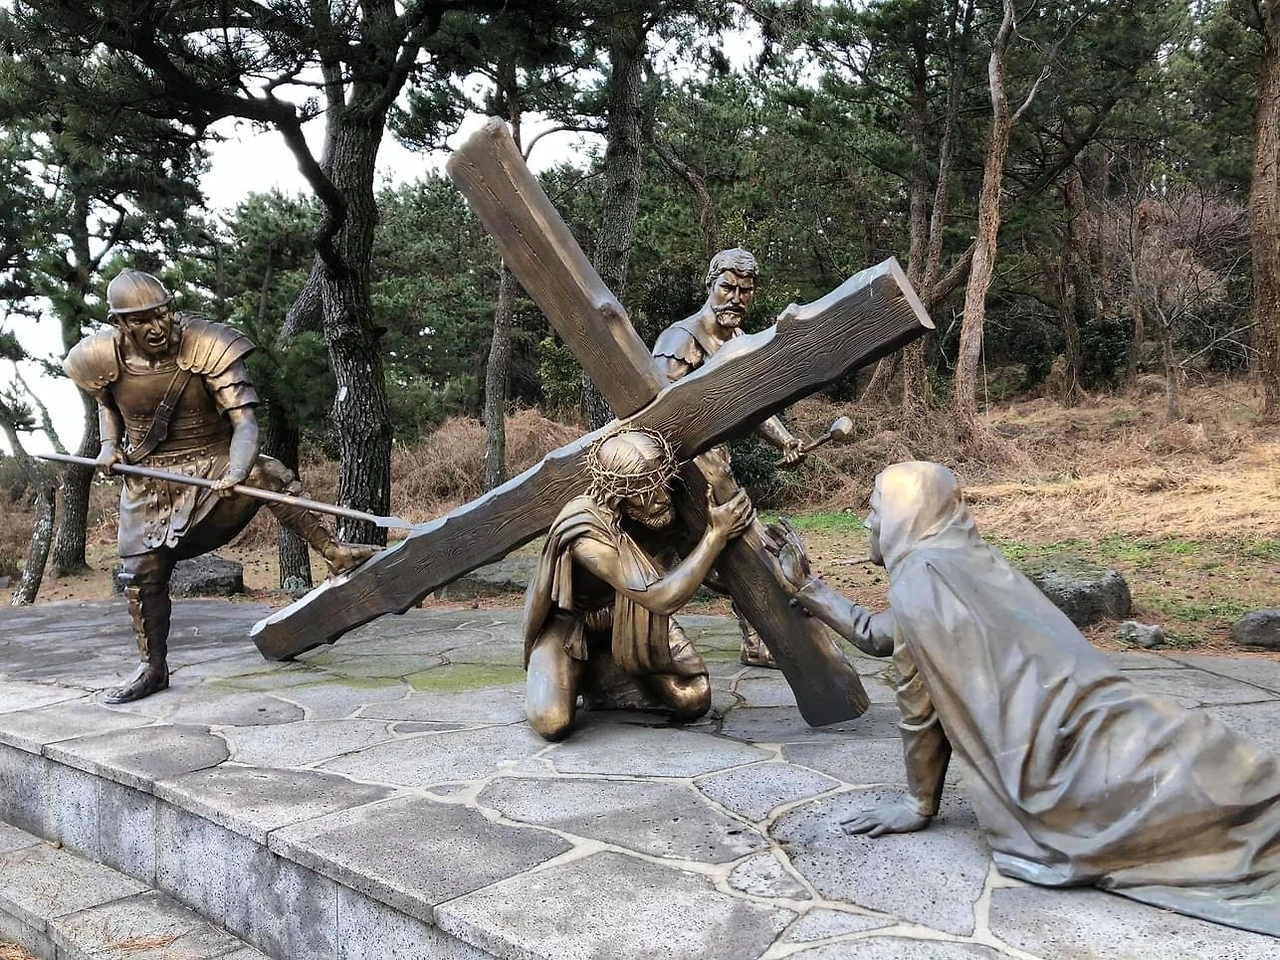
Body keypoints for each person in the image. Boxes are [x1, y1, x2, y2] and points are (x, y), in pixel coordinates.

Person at [765, 461, 1280, 936]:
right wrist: (810, 588)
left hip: (1066, 752)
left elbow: (919, 708)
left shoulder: (922, 581)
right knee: (1221, 767)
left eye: (875, 509)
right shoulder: (963, 558)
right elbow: (885, 634)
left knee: (1190, 796)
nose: (866, 522)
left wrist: (917, 803)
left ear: (906, 515)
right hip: (1106, 714)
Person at [65, 268, 376, 704]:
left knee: (267, 473)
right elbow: (108, 405)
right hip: (148, 481)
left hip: (214, 466)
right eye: (141, 320)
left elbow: (244, 422)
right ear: (120, 323)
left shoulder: (209, 345)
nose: (156, 326)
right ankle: (152, 667)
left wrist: (237, 468)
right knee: (141, 574)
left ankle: (334, 552)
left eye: (162, 313)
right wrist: (109, 448)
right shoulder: (99, 358)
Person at [522, 429, 753, 740]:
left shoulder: (665, 510)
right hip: (573, 623)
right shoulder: (586, 531)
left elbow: (706, 575)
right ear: (616, 494)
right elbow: (660, 597)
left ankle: (613, 671)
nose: (661, 498)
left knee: (693, 697)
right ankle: (593, 670)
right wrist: (715, 537)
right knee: (552, 721)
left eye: (661, 484)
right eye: (644, 492)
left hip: (632, 614)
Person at [652, 248, 807, 668]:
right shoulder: (679, 341)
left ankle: (755, 637)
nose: (736, 298)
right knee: (666, 557)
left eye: (746, 290)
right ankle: (646, 637)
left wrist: (785, 440)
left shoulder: (739, 342)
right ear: (710, 285)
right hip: (674, 478)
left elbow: (753, 404)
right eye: (728, 288)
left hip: (718, 472)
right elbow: (659, 415)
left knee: (738, 548)